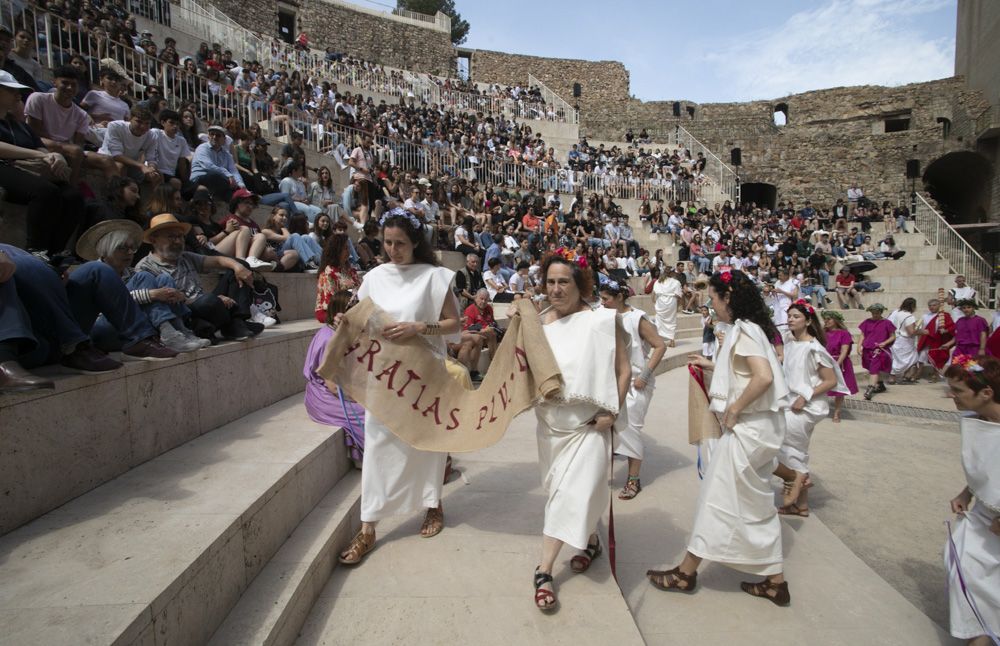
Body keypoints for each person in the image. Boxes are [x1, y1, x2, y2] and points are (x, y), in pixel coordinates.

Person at [648, 269, 792, 606]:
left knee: (716, 499)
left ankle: (686, 573)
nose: (711, 304)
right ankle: (775, 580)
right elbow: (747, 373)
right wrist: (712, 367)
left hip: (749, 431)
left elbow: (763, 377)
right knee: (754, 506)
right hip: (761, 430)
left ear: (728, 298)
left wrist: (735, 408)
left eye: (713, 298)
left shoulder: (744, 332)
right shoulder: (751, 330)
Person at [337, 208, 461, 566]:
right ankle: (368, 526)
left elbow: (454, 324)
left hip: (425, 375)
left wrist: (419, 327)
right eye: (387, 242)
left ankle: (432, 505)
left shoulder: (436, 277)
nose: (393, 249)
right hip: (384, 375)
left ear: (415, 242)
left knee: (426, 443)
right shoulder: (374, 277)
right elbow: (360, 318)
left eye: (400, 243)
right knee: (377, 445)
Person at [532, 254, 630, 612]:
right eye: (550, 282)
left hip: (590, 424)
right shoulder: (537, 323)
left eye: (564, 282)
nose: (555, 289)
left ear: (580, 284)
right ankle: (590, 541)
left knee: (568, 496)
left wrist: (612, 411)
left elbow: (623, 370)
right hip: (550, 425)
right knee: (563, 490)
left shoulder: (603, 320)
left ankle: (543, 571)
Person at [74, 219, 207, 354]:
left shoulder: (131, 273)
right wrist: (150, 295)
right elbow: (111, 304)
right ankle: (168, 332)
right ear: (106, 251)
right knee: (144, 277)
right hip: (103, 330)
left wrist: (178, 295)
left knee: (164, 278)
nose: (130, 253)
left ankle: (179, 330)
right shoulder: (95, 274)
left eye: (132, 248)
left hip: (132, 330)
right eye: (123, 248)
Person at [942, 354, 1000, 645]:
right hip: (984, 516)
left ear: (986, 393)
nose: (951, 396)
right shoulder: (979, 420)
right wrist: (967, 491)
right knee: (964, 569)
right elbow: (987, 465)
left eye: (959, 391)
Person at [135, 213, 261, 341]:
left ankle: (236, 321)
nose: (178, 241)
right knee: (208, 302)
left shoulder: (185, 257)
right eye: (171, 237)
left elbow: (217, 260)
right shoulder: (145, 268)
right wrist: (212, 299)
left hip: (205, 303)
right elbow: (163, 305)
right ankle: (232, 324)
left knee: (240, 265)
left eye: (180, 236)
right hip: (185, 311)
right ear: (153, 240)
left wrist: (237, 266)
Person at [0, 70, 85, 260]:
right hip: (4, 167)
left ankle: (55, 252)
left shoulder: (20, 125)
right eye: (11, 91)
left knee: (73, 196)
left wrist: (55, 157)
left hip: (28, 169)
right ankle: (35, 249)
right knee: (45, 191)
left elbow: (39, 145)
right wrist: (38, 154)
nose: (18, 95)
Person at [774, 300, 843, 517]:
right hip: (790, 402)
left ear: (808, 321)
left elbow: (830, 380)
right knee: (797, 451)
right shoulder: (789, 341)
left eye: (796, 316)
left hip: (805, 406)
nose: (791, 320)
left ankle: (799, 477)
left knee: (782, 446)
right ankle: (801, 505)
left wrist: (805, 396)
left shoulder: (814, 349)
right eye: (790, 316)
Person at [599, 280, 666, 501]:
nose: (603, 302)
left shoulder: (637, 318)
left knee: (630, 429)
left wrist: (645, 376)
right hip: (612, 381)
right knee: (607, 428)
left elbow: (660, 345)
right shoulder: (604, 315)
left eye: (606, 298)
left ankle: (633, 480)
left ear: (619, 297)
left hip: (637, 382)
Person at [303, 290, 365, 468]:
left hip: (341, 388)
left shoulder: (340, 333)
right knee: (369, 414)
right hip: (325, 395)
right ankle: (362, 456)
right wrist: (362, 397)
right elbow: (333, 385)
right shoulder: (329, 339)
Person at [821, 310, 858, 422]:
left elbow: (844, 351)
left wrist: (836, 365)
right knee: (821, 387)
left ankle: (837, 413)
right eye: (825, 319)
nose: (826, 321)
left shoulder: (844, 333)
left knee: (839, 390)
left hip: (840, 362)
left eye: (829, 319)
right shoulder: (822, 333)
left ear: (836, 320)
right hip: (824, 361)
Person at [314, 233, 360, 323]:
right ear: (337, 250)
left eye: (348, 248)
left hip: (351, 307)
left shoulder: (351, 271)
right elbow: (331, 301)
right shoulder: (328, 273)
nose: (348, 251)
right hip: (331, 311)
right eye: (345, 248)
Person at [858, 303, 895, 400]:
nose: (875, 315)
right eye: (873, 313)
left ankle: (869, 390)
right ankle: (880, 384)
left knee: (874, 369)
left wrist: (885, 342)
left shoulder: (887, 323)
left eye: (877, 313)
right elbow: (862, 335)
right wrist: (859, 346)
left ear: (881, 312)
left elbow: (893, 336)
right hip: (867, 349)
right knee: (871, 368)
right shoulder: (866, 322)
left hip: (879, 350)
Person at [887, 298, 923, 384]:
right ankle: (907, 376)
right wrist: (922, 331)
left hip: (893, 339)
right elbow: (911, 332)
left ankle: (892, 378)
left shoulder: (895, 312)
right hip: (904, 341)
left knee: (895, 359)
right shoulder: (909, 316)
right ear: (913, 306)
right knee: (912, 358)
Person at [917, 298, 955, 382]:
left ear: (939, 306)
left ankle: (935, 375)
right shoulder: (925, 316)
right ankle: (918, 372)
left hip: (939, 339)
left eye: (934, 305)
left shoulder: (944, 315)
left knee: (936, 356)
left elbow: (951, 326)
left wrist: (945, 330)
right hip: (927, 339)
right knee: (921, 356)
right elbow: (921, 327)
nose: (931, 307)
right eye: (930, 305)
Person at [647, 267, 682, 347]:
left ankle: (657, 341)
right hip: (671, 302)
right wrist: (679, 305)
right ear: (672, 273)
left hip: (661, 302)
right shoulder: (676, 282)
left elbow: (653, 295)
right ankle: (672, 341)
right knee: (672, 321)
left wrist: (655, 302)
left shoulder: (658, 282)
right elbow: (678, 295)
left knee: (659, 320)